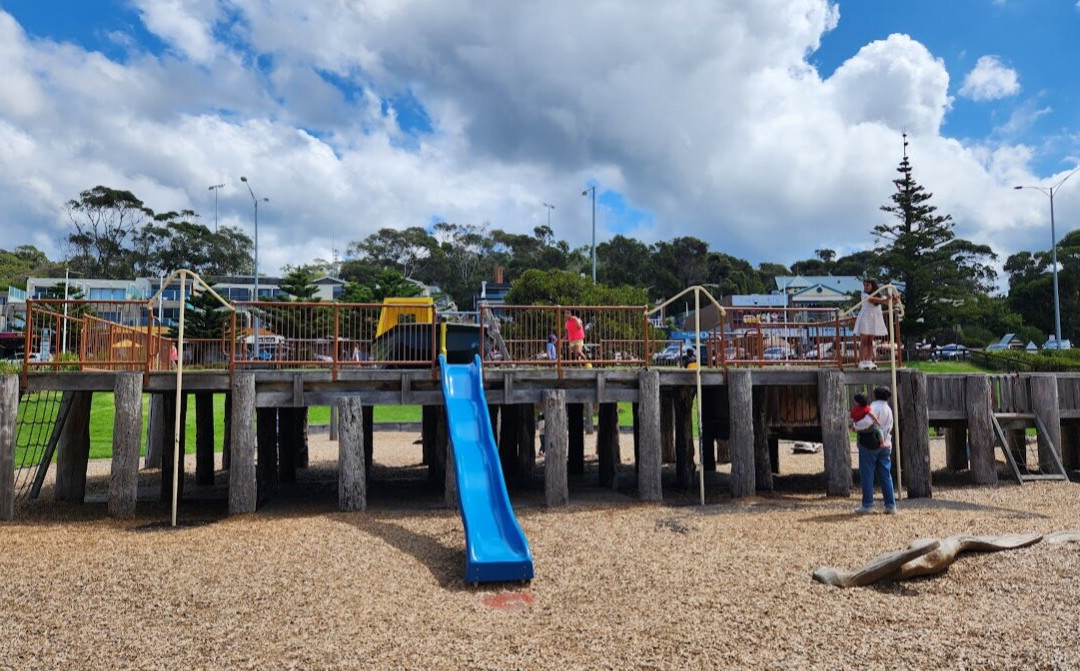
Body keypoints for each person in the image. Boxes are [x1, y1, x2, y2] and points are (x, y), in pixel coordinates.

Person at [851, 386, 897, 515]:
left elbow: (866, 422)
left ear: (875, 395)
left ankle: (867, 504)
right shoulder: (888, 409)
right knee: (885, 475)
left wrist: (855, 427)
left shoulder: (874, 406)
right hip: (886, 443)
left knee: (867, 473)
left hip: (870, 444)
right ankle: (890, 505)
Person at [853, 278, 890, 370]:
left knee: (870, 341)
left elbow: (886, 301)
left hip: (873, 319)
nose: (865, 287)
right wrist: (885, 299)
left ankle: (869, 360)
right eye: (864, 285)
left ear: (873, 286)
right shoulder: (864, 295)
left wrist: (892, 299)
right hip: (865, 319)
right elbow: (874, 300)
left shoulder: (879, 296)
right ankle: (861, 361)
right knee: (864, 341)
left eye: (867, 285)